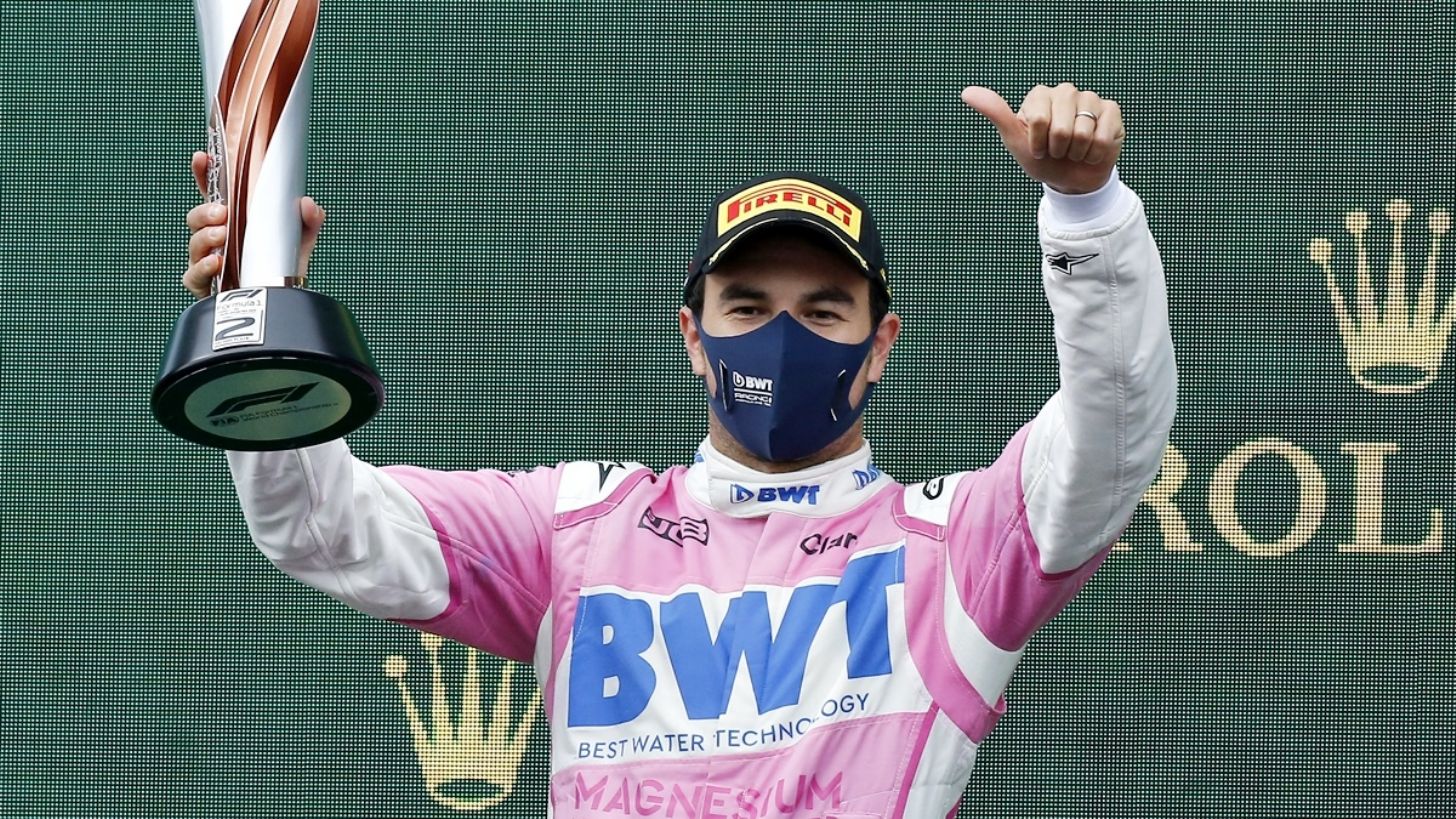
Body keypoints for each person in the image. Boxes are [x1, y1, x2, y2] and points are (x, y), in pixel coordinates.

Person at [183, 83, 1176, 818]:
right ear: (693, 337)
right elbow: (323, 527)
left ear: (880, 345)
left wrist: (1089, 216)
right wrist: (263, 328)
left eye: (822, 310)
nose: (780, 336)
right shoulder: (575, 531)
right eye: (746, 306)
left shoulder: (954, 548)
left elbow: (1113, 430)